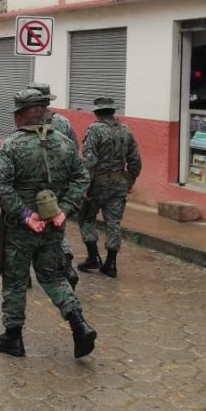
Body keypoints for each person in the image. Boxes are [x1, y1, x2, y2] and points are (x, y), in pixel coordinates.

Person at [0, 88, 95, 359]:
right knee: (52, 276)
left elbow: (1, 185)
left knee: (14, 279)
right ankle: (79, 326)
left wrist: (25, 215)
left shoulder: (11, 145)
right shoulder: (64, 143)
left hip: (21, 228)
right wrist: (64, 211)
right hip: (53, 224)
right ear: (45, 112)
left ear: (20, 116)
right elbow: (81, 178)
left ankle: (13, 338)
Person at [78, 96, 142, 277]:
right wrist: (129, 180)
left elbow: (90, 161)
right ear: (113, 112)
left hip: (97, 183)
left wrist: (84, 187)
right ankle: (111, 263)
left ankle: (93, 257)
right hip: (119, 183)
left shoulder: (94, 130)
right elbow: (135, 161)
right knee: (113, 222)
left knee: (87, 218)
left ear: (96, 112)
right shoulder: (126, 130)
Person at [28, 81, 80, 289]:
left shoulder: (27, 122)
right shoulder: (64, 122)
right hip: (60, 184)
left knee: (29, 227)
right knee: (57, 226)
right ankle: (66, 264)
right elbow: (74, 151)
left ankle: (25, 275)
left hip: (34, 183)